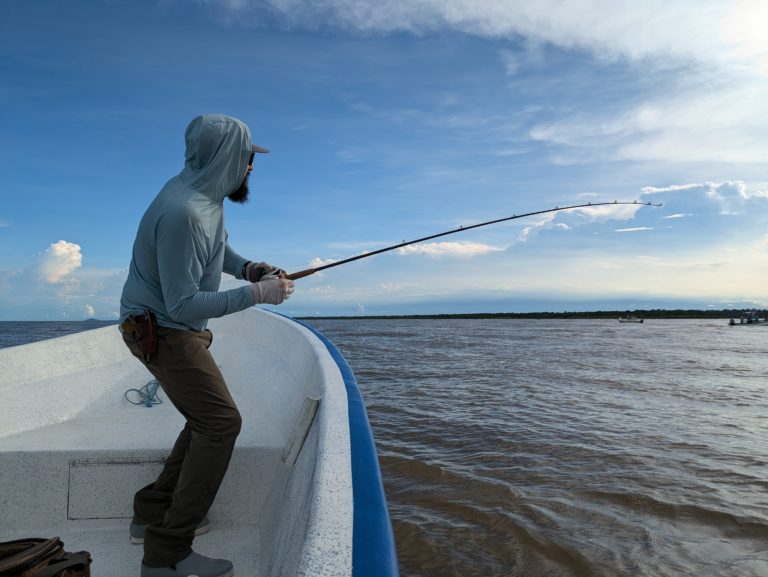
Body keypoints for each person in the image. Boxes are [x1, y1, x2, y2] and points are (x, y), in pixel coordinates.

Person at [119, 113, 294, 577]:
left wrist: (251, 269)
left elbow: (219, 249)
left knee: (206, 418)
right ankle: (166, 554)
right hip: (165, 330)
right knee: (220, 424)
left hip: (165, 324)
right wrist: (258, 295)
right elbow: (184, 306)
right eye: (247, 158)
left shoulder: (201, 196)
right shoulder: (184, 213)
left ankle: (151, 511)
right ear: (226, 158)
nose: (252, 168)